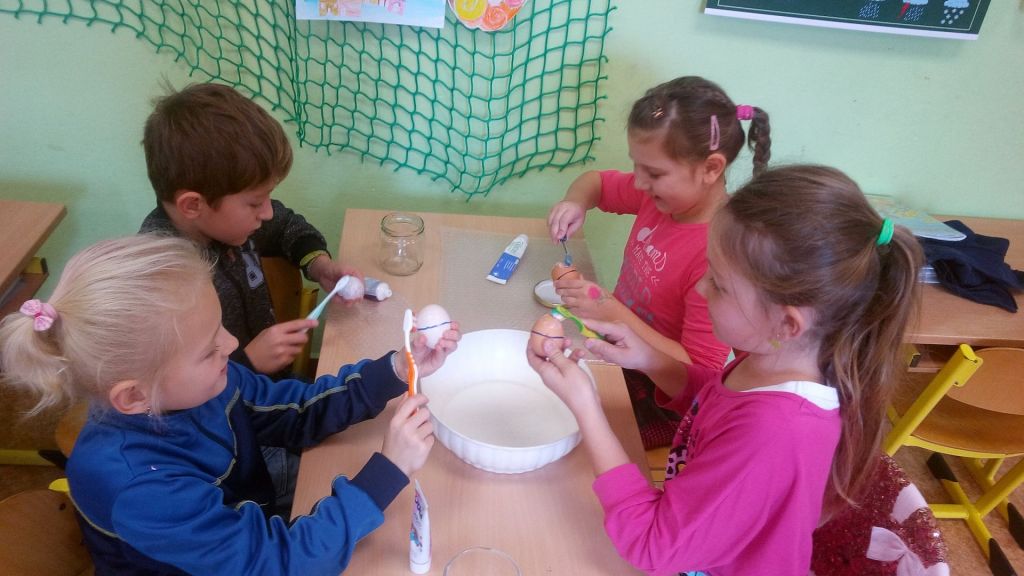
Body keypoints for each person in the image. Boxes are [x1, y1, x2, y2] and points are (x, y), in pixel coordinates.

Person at [529, 165, 922, 575]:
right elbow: (720, 401)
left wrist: (586, 406)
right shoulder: (777, 359)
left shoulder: (776, 431)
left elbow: (650, 545)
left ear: (787, 323)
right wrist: (649, 358)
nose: (701, 289)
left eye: (718, 283)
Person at [0, 235, 460, 575]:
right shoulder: (139, 489)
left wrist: (397, 368)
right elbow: (277, 564)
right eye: (209, 349)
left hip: (249, 516)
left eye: (220, 327)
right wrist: (386, 473)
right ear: (135, 395)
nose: (233, 344)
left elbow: (296, 410)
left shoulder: (198, 383)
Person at [547, 76, 772, 449]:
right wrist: (576, 202)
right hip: (616, 347)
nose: (638, 183)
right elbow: (596, 182)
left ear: (711, 168)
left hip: (659, 394)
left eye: (653, 173)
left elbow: (696, 376)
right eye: (636, 167)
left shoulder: (721, 258)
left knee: (571, 434)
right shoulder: (657, 199)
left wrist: (611, 311)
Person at [139, 82, 358, 380]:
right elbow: (174, 389)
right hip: (233, 402)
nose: (267, 212)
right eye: (255, 202)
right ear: (193, 205)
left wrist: (318, 264)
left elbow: (285, 225)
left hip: (270, 386)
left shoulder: (228, 223)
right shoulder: (162, 281)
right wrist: (248, 363)